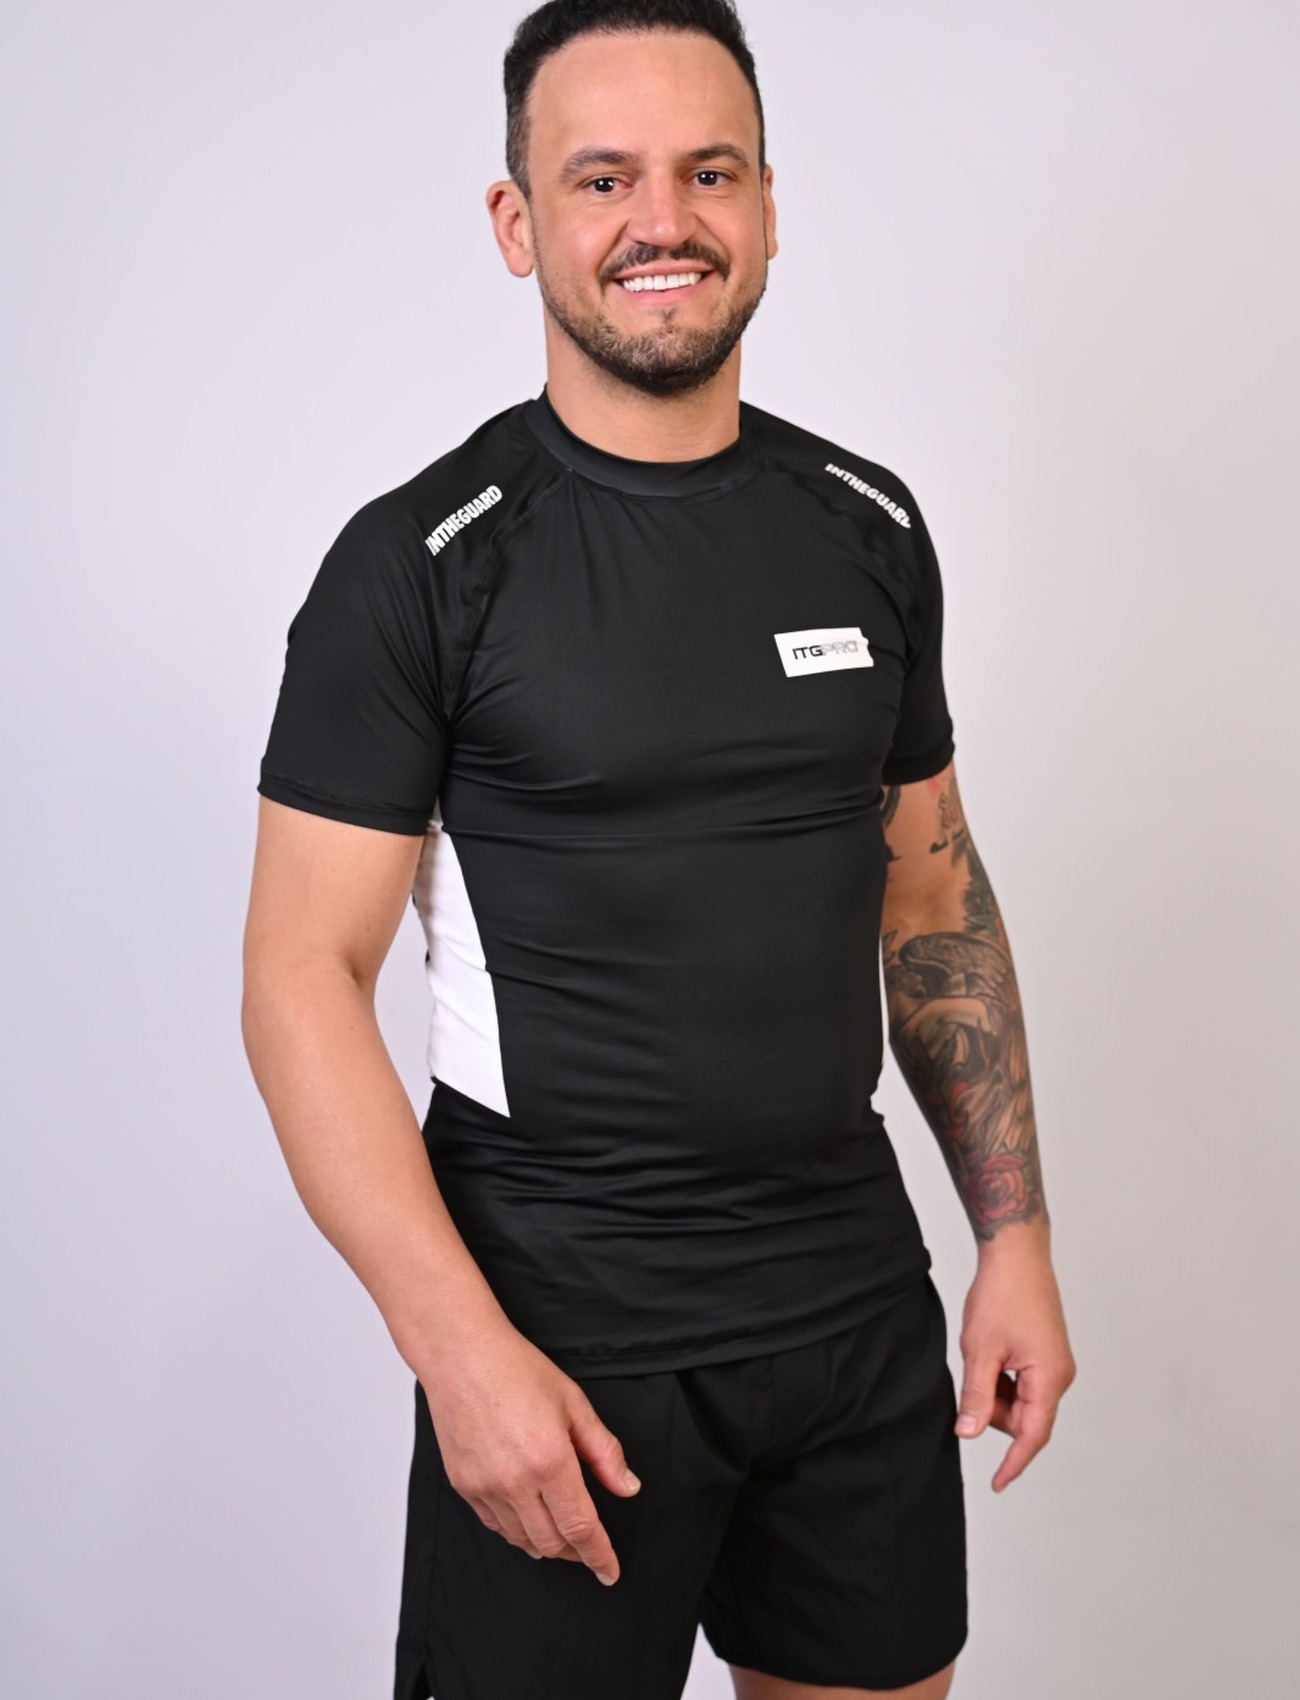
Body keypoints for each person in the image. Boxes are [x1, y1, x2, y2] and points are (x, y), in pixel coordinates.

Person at [241, 3, 1077, 1697]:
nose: (663, 221)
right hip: (563, 1334)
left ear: (767, 203)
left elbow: (934, 892)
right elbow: (301, 981)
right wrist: (459, 1353)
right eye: (602, 177)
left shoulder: (867, 526)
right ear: (517, 221)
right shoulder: (421, 566)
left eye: (709, 171)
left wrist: (1015, 1240)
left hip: (849, 1313)